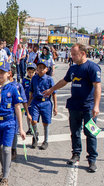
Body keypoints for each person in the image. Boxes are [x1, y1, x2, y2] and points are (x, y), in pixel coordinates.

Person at [43, 43, 101, 172]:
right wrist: (52, 89)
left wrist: (96, 106)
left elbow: (97, 86)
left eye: (75, 54)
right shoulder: (73, 68)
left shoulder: (92, 67)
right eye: (72, 54)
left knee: (91, 133)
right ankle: (76, 154)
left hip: (88, 108)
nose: (72, 57)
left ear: (83, 54)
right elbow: (64, 81)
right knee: (74, 132)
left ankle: (92, 159)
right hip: (74, 106)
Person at [28, 59, 57, 150]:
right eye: (39, 67)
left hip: (46, 103)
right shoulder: (34, 78)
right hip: (36, 102)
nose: (40, 69)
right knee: (33, 120)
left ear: (46, 69)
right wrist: (28, 103)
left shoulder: (49, 79)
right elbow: (31, 92)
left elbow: (54, 93)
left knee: (45, 123)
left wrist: (55, 107)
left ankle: (46, 141)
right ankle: (35, 136)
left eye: (42, 68)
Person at [22, 62, 37, 135]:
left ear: (35, 71)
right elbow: (22, 89)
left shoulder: (36, 79)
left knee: (34, 115)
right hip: (27, 101)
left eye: (32, 72)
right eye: (29, 72)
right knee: (28, 115)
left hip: (35, 100)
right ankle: (29, 128)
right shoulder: (25, 80)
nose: (30, 74)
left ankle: (35, 129)